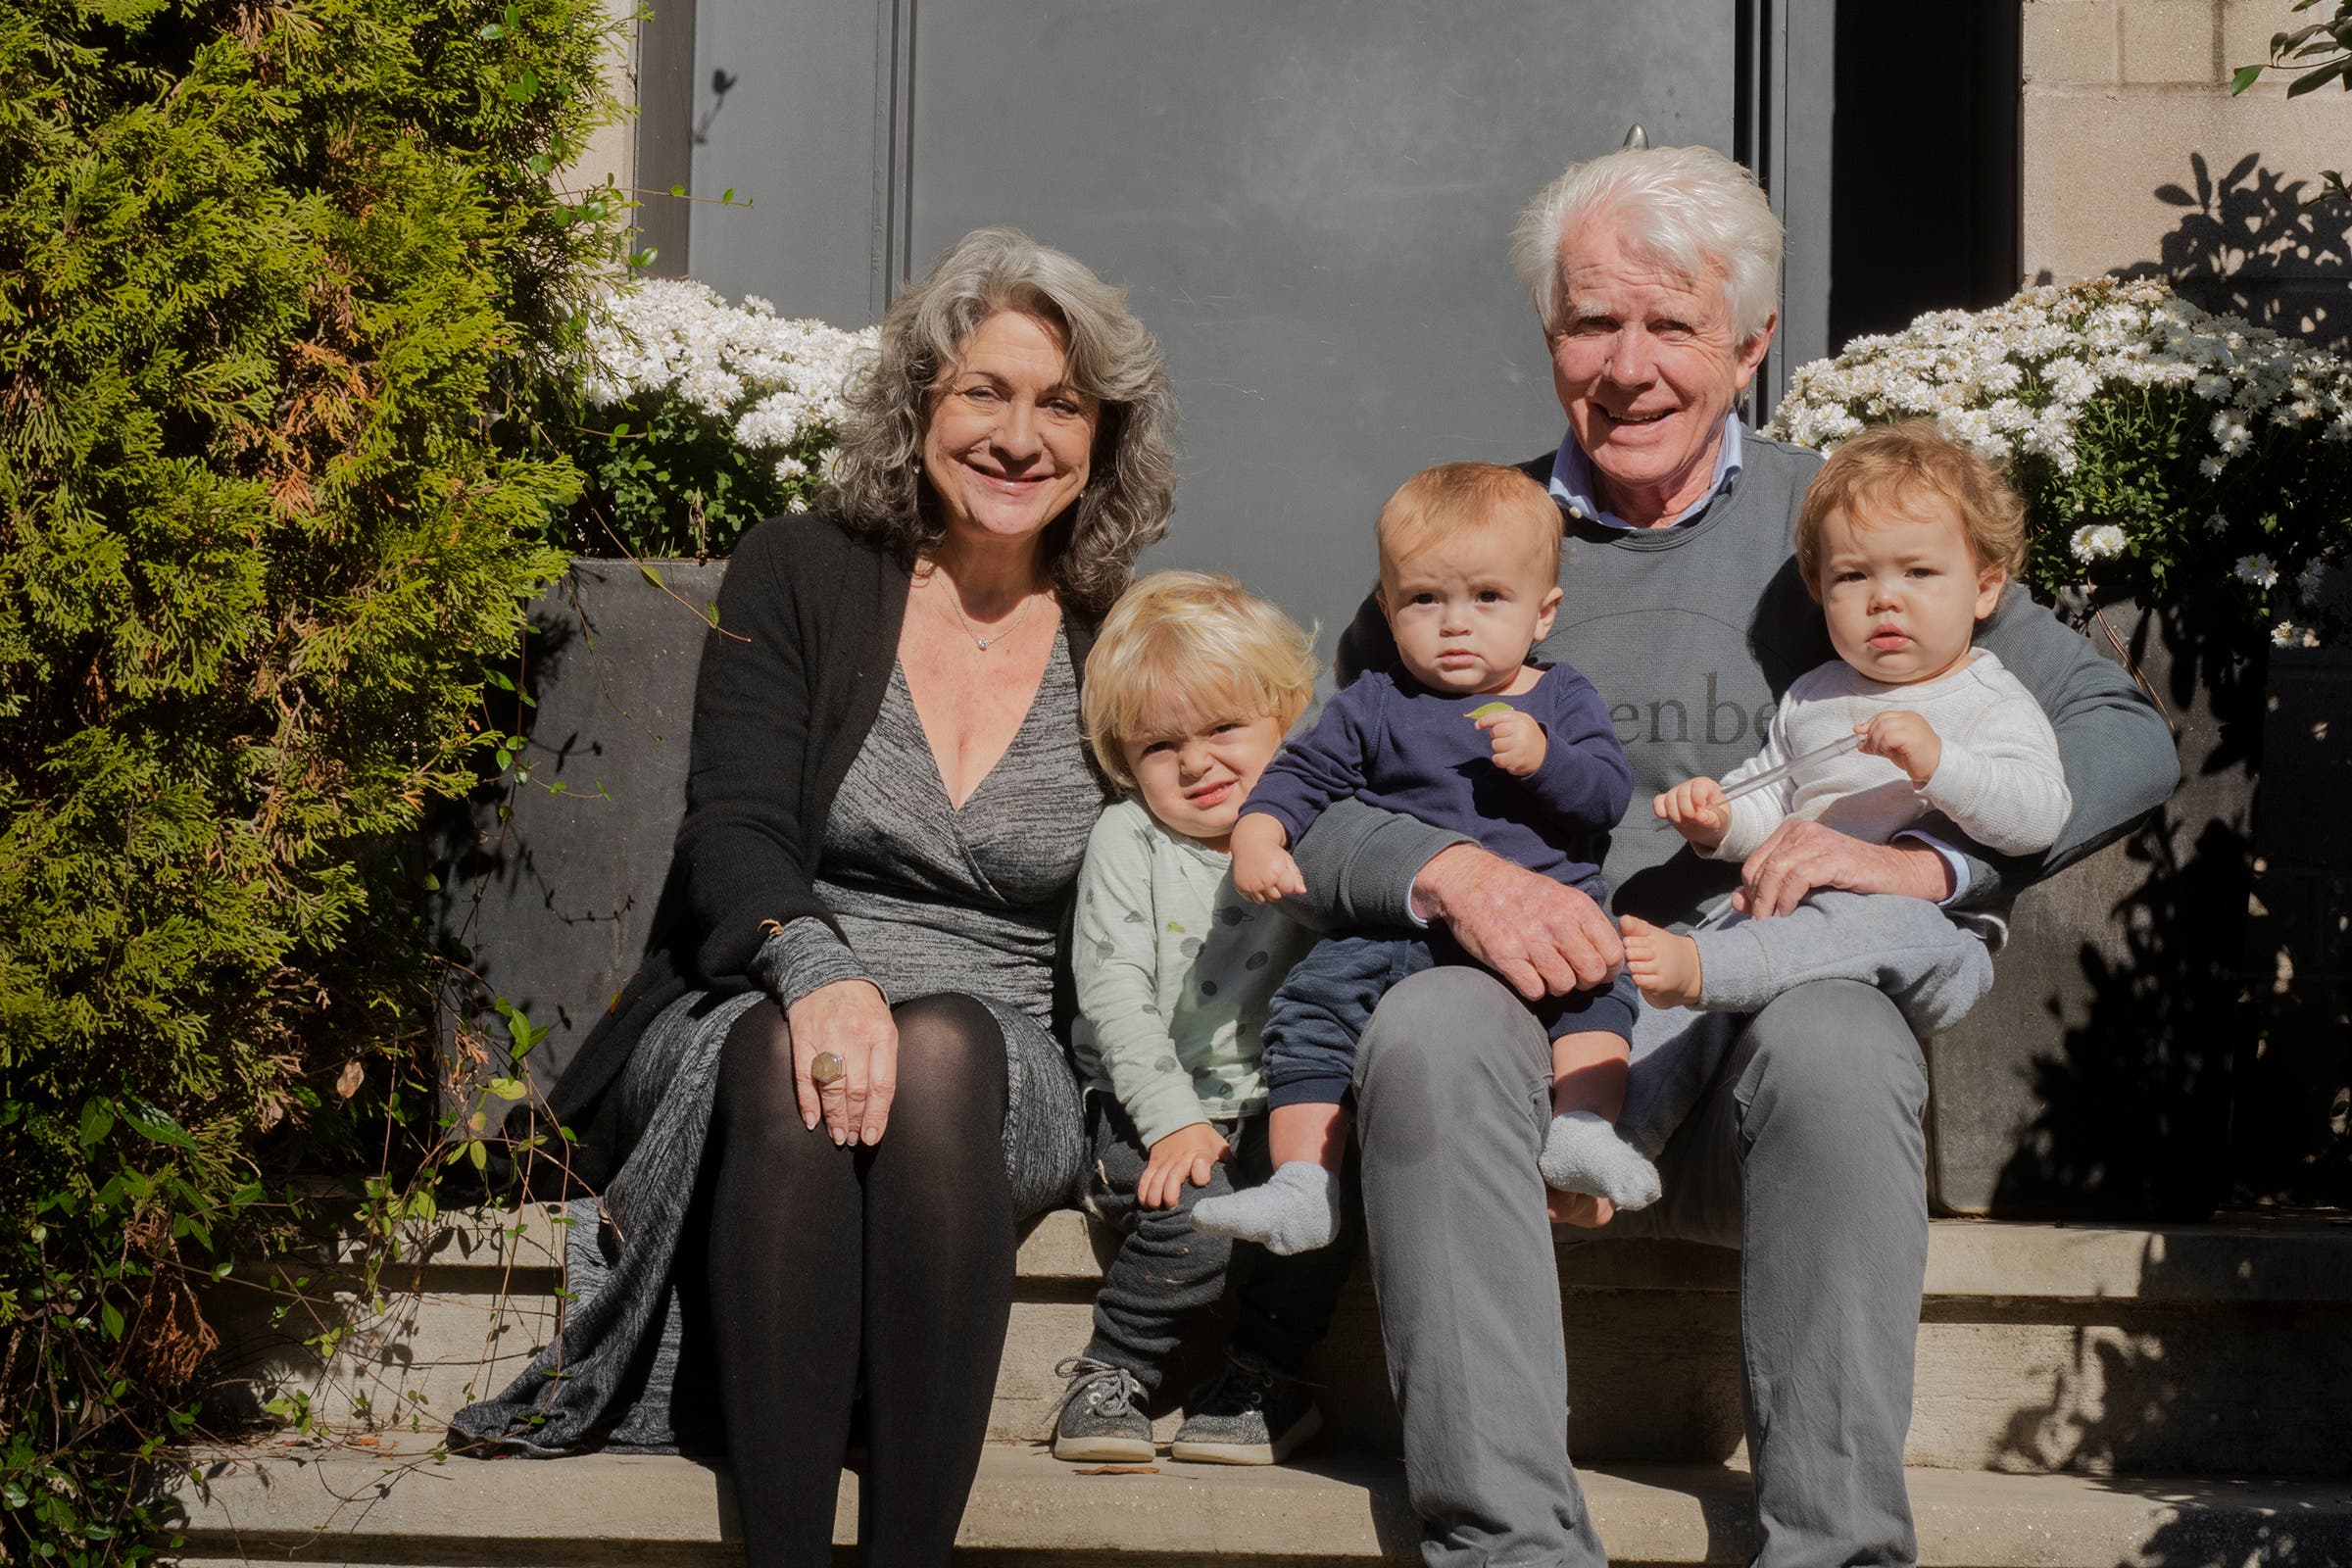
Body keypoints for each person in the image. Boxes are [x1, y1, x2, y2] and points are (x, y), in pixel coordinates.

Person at [1285, 146, 2179, 1567]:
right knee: (1430, 1021)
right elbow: (1318, 802)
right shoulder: (1469, 545)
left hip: (1749, 1070)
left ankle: (1834, 1546)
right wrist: (1450, 875)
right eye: (1590, 322)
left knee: (1842, 1035)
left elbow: (2123, 736)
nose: (1626, 366)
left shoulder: (1844, 526)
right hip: (1539, 1067)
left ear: (1754, 343)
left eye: (1672, 325)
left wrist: (1937, 872)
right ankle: (1508, 1544)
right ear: (1548, 337)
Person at [449, 226, 1178, 1568]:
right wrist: (817, 966)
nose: (1021, 437)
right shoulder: (801, 569)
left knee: (947, 1047)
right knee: (793, 1058)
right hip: (761, 988)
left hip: (997, 1048)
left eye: (1060, 405)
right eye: (985, 393)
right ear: (919, 407)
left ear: (1103, 439)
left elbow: (1204, 847)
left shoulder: (1120, 625)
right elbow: (732, 825)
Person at [1195, 464, 1654, 1260]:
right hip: (1392, 931)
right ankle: (1303, 1183)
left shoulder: (1560, 698)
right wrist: (1258, 833)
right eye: (1424, 600)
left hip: (1544, 920)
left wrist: (1546, 759)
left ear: (1543, 613)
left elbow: (1605, 799)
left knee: (1599, 986)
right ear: (1387, 607)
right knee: (1310, 1008)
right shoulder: (1374, 702)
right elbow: (1302, 777)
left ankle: (1582, 1130)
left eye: (1487, 599)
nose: (1454, 625)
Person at [1623, 420, 2072, 1038]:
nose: (1884, 598)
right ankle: (1594, 1127)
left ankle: (1710, 973)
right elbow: (1773, 794)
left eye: (1918, 572)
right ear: (1820, 591)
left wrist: (1941, 764)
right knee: (1667, 1034)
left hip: (1925, 932)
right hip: (1786, 920)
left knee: (1857, 929)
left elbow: (2039, 816)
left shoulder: (1988, 699)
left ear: (1985, 588)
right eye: (1854, 577)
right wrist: (1721, 820)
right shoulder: (1816, 693)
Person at [1050, 569, 1353, 1467]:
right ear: (1123, 759)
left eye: (1225, 729)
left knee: (1324, 1203)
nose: (1196, 763)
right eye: (1158, 746)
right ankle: (1115, 1373)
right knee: (1192, 1213)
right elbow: (1114, 996)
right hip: (1145, 1102)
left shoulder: (1322, 828)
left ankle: (1268, 1375)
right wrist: (1173, 1118)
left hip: (1282, 1100)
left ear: (1287, 719)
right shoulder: (1127, 840)